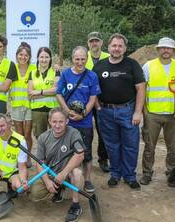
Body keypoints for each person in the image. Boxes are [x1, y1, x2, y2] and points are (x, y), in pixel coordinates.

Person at [93, 33, 146, 190]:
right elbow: (93, 88)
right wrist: (98, 107)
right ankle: (115, 174)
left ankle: (129, 176)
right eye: (114, 46)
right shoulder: (99, 66)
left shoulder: (132, 65)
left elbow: (141, 88)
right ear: (108, 47)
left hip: (128, 111)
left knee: (130, 145)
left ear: (125, 48)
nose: (117, 49)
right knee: (112, 146)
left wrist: (138, 112)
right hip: (106, 112)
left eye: (120, 46)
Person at [140, 37, 175, 187]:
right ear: (158, 49)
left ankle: (171, 172)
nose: (165, 50)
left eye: (169, 48)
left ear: (173, 51)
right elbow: (141, 89)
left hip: (173, 115)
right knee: (149, 146)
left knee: (172, 147)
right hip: (152, 114)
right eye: (163, 48)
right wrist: (144, 111)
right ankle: (147, 173)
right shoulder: (148, 66)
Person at [29, 107, 86, 222]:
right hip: (51, 173)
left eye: (61, 121)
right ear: (49, 121)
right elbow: (39, 162)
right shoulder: (43, 137)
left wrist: (63, 173)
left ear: (67, 121)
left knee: (77, 173)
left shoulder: (74, 133)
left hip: (68, 172)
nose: (58, 125)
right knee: (34, 194)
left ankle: (76, 205)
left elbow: (80, 155)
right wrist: (47, 181)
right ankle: (58, 189)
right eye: (54, 122)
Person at [56, 46, 101, 193]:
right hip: (68, 122)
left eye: (82, 59)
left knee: (86, 152)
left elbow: (93, 98)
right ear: (72, 59)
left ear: (86, 59)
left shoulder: (92, 76)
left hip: (85, 122)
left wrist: (83, 114)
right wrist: (67, 112)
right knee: (65, 151)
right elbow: (58, 94)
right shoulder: (66, 74)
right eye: (77, 59)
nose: (80, 62)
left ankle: (87, 180)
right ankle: (65, 179)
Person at [86, 31, 111, 173]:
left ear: (102, 42)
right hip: (87, 100)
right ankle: (85, 157)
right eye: (91, 41)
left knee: (103, 131)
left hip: (103, 101)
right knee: (86, 131)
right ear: (88, 43)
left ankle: (103, 159)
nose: (94, 43)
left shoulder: (108, 57)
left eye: (97, 41)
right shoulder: (83, 57)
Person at [9, 42, 36, 154]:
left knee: (28, 133)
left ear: (29, 57)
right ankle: (21, 157)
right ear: (16, 55)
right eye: (21, 54)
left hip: (30, 105)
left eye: (26, 55)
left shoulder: (34, 68)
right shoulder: (12, 68)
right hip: (16, 106)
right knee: (19, 134)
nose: (23, 57)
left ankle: (28, 156)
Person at [28, 47, 60, 138]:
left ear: (50, 59)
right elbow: (30, 94)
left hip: (53, 110)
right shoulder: (32, 73)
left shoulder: (55, 72)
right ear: (38, 58)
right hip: (37, 111)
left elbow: (56, 90)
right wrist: (49, 92)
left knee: (55, 136)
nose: (44, 60)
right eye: (42, 57)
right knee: (40, 138)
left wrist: (39, 92)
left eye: (47, 57)